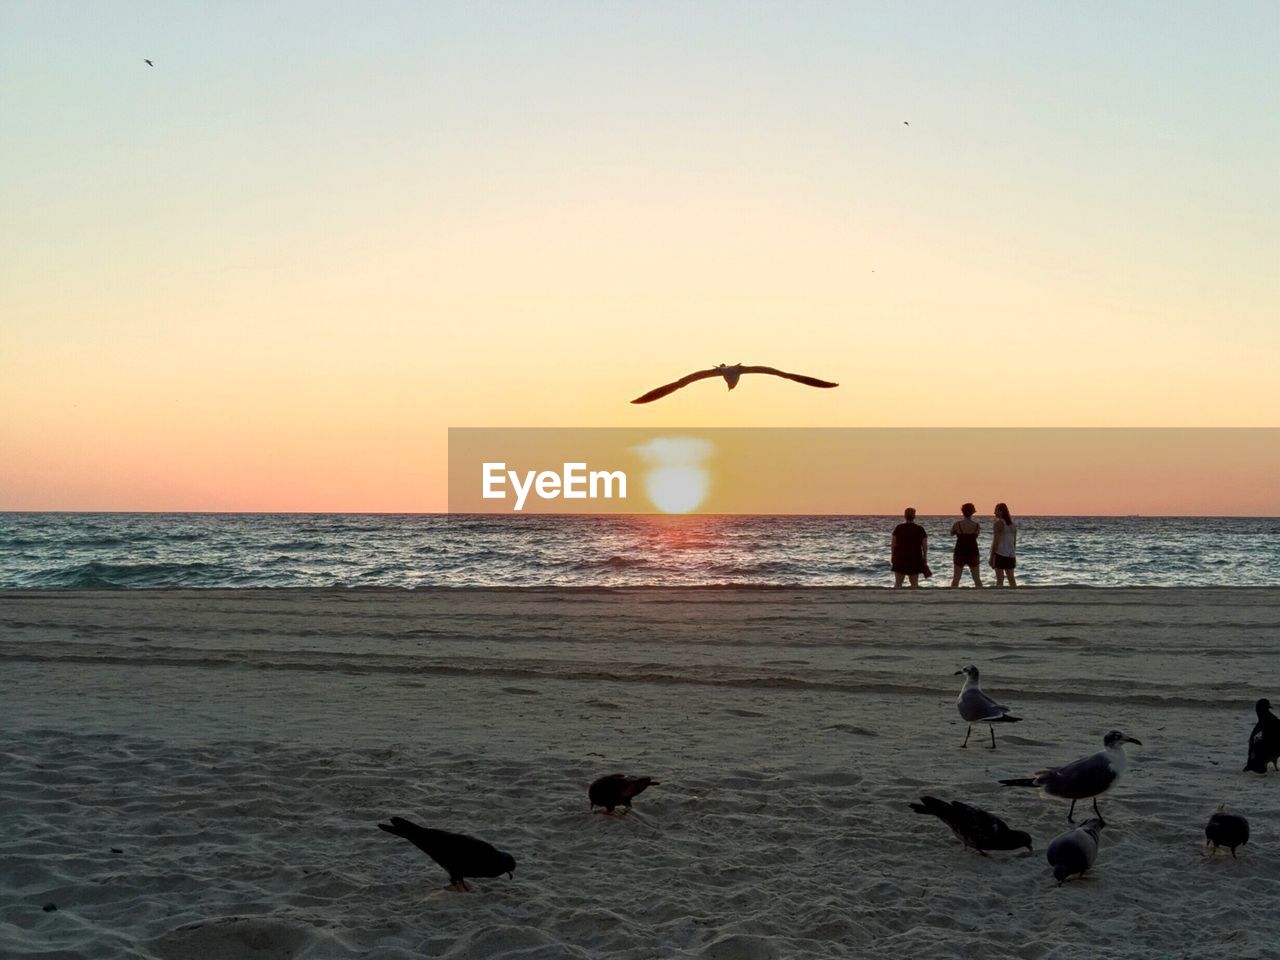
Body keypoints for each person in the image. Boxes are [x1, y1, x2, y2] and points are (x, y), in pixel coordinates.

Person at [891, 507, 929, 588]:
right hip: (915, 557)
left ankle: (896, 599)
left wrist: (893, 555)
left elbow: (893, 543)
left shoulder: (899, 528)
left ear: (905, 516)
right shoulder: (920, 529)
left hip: (900, 556)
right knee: (914, 583)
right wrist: (925, 556)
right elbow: (924, 545)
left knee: (898, 583)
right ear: (914, 516)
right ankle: (914, 599)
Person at [950, 503, 983, 588]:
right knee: (976, 578)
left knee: (956, 578)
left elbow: (951, 533)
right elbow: (977, 534)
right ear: (972, 512)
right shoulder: (976, 525)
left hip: (960, 551)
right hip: (973, 551)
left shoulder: (958, 524)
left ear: (962, 512)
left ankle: (952, 594)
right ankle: (981, 593)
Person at [990, 502, 1017, 587]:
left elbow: (996, 541)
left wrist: (992, 556)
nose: (994, 513)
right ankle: (1016, 594)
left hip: (1000, 553)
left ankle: (999, 596)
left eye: (996, 510)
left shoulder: (998, 523)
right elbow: (1014, 542)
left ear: (1001, 512)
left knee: (1000, 579)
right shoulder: (1013, 524)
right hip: (1011, 554)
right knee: (1011, 578)